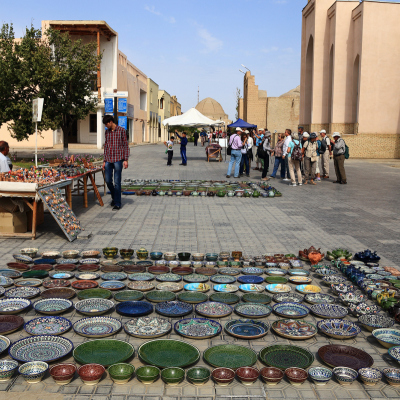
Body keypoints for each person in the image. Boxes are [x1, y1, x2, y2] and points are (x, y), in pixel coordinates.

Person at [102, 115, 130, 210]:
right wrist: (104, 160)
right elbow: (106, 146)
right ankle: (114, 197)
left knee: (117, 182)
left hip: (118, 159)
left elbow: (126, 146)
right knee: (108, 181)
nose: (106, 126)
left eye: (106, 124)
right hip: (108, 160)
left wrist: (125, 159)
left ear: (110, 122)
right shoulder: (107, 132)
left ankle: (117, 203)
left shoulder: (121, 130)